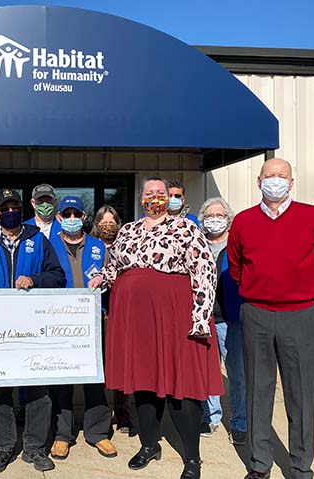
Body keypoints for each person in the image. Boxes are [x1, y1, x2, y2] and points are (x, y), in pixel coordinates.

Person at [88, 176, 222, 479]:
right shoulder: (129, 229)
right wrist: (102, 277)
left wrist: (200, 316)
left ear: (170, 198)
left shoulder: (187, 228)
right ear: (141, 197)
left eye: (160, 193)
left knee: (182, 387)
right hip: (136, 319)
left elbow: (204, 271)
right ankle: (149, 445)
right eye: (149, 193)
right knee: (144, 384)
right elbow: (115, 265)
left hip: (175, 316)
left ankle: (192, 458)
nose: (155, 197)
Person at [227, 158, 314, 479]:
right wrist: (258, 290)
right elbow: (235, 266)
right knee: (258, 390)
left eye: (281, 176)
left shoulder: (311, 216)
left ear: (291, 182)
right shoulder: (244, 221)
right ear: (259, 182)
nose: (275, 180)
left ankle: (301, 466)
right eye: (269, 176)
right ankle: (260, 463)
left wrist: (299, 289)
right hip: (256, 313)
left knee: (300, 393)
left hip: (299, 315)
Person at [0, 189, 66, 474]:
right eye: (6, 208)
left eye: (15, 206)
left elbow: (58, 276)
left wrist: (35, 279)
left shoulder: (37, 239)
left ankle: (35, 448)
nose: (11, 211)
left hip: (32, 328)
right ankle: (4, 447)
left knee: (38, 391)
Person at [48, 196, 116, 461]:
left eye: (77, 213)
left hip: (93, 320)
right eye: (67, 214)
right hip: (60, 321)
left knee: (95, 377)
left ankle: (98, 433)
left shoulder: (98, 246)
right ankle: (62, 435)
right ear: (59, 218)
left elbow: (112, 276)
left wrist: (104, 282)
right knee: (62, 379)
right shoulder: (48, 245)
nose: (72, 218)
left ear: (85, 217)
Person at [197, 198, 247, 445]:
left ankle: (240, 422)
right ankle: (210, 415)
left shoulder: (238, 245)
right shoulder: (197, 246)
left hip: (231, 319)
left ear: (228, 219)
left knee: (237, 372)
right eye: (209, 215)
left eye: (219, 215)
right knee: (208, 372)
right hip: (204, 319)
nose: (214, 219)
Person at [90, 206, 132, 434]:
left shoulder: (126, 245)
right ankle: (97, 412)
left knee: (120, 363)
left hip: (120, 310)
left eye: (112, 222)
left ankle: (123, 410)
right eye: (104, 223)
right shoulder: (90, 246)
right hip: (96, 311)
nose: (108, 226)